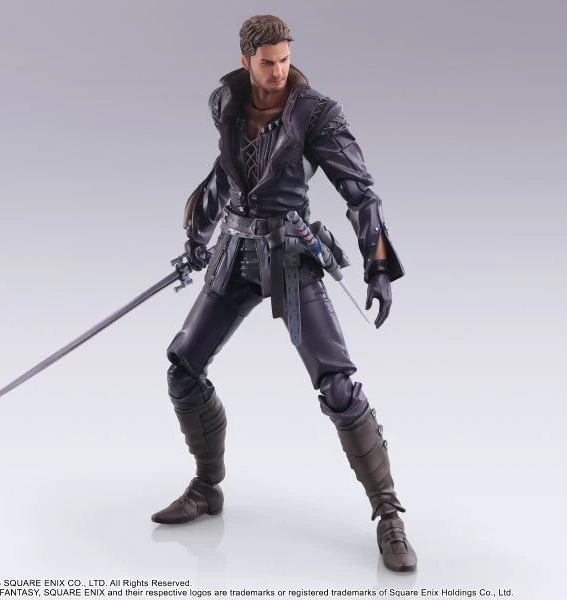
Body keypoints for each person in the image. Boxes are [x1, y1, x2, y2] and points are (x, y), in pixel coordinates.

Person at [151, 15, 417, 572]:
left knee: (337, 386)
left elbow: (360, 192)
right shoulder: (225, 103)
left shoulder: (315, 114)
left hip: (290, 254)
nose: (278, 72)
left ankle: (389, 514)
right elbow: (226, 173)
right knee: (183, 368)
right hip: (233, 254)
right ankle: (207, 487)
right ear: (246, 61)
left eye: (285, 59)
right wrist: (198, 234)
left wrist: (378, 265)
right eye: (267, 62)